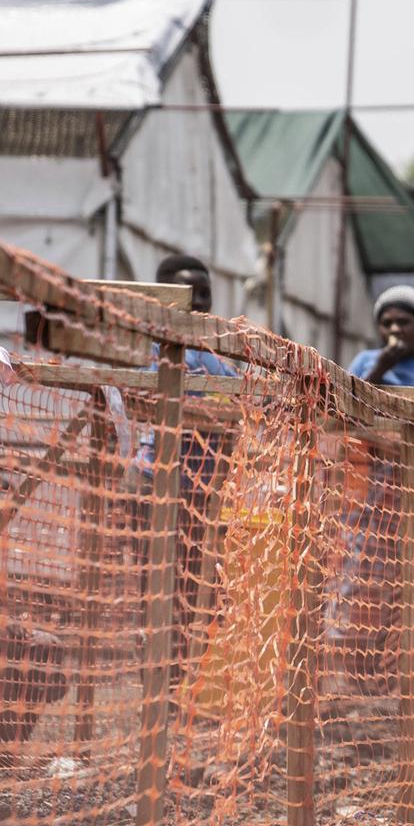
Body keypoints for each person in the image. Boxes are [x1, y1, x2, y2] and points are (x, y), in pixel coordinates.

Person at [137, 255, 239, 678]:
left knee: (200, 585)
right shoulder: (153, 349)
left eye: (204, 295)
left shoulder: (220, 353)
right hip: (157, 481)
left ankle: (184, 674)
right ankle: (158, 675)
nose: (197, 303)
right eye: (186, 294)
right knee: (157, 582)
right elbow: (147, 397)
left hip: (206, 488)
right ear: (162, 298)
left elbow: (241, 398)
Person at [350, 285, 414, 407]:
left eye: (403, 322)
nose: (394, 329)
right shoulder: (363, 360)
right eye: (387, 323)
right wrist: (379, 369)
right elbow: (349, 404)